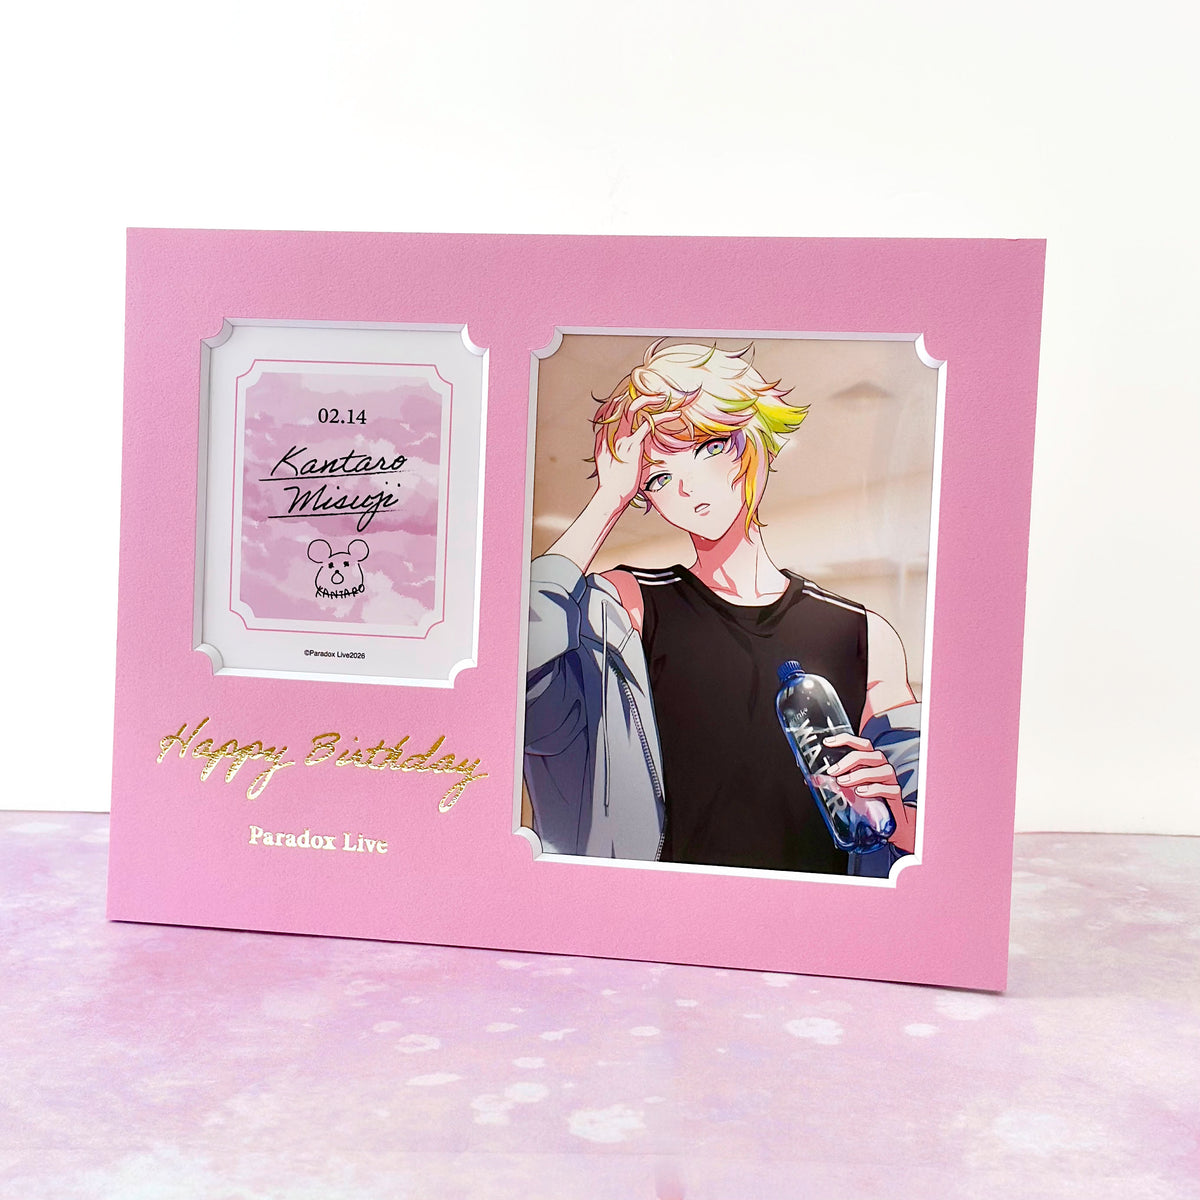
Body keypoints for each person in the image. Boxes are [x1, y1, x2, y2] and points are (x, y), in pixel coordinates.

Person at [523, 340, 921, 875]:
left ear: (753, 439)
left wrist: (894, 816)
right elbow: (516, 667)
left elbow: (932, 832)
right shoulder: (625, 607)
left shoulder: (864, 634)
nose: (687, 488)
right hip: (657, 909)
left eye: (708, 447)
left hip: (816, 910)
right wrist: (607, 500)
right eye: (657, 478)